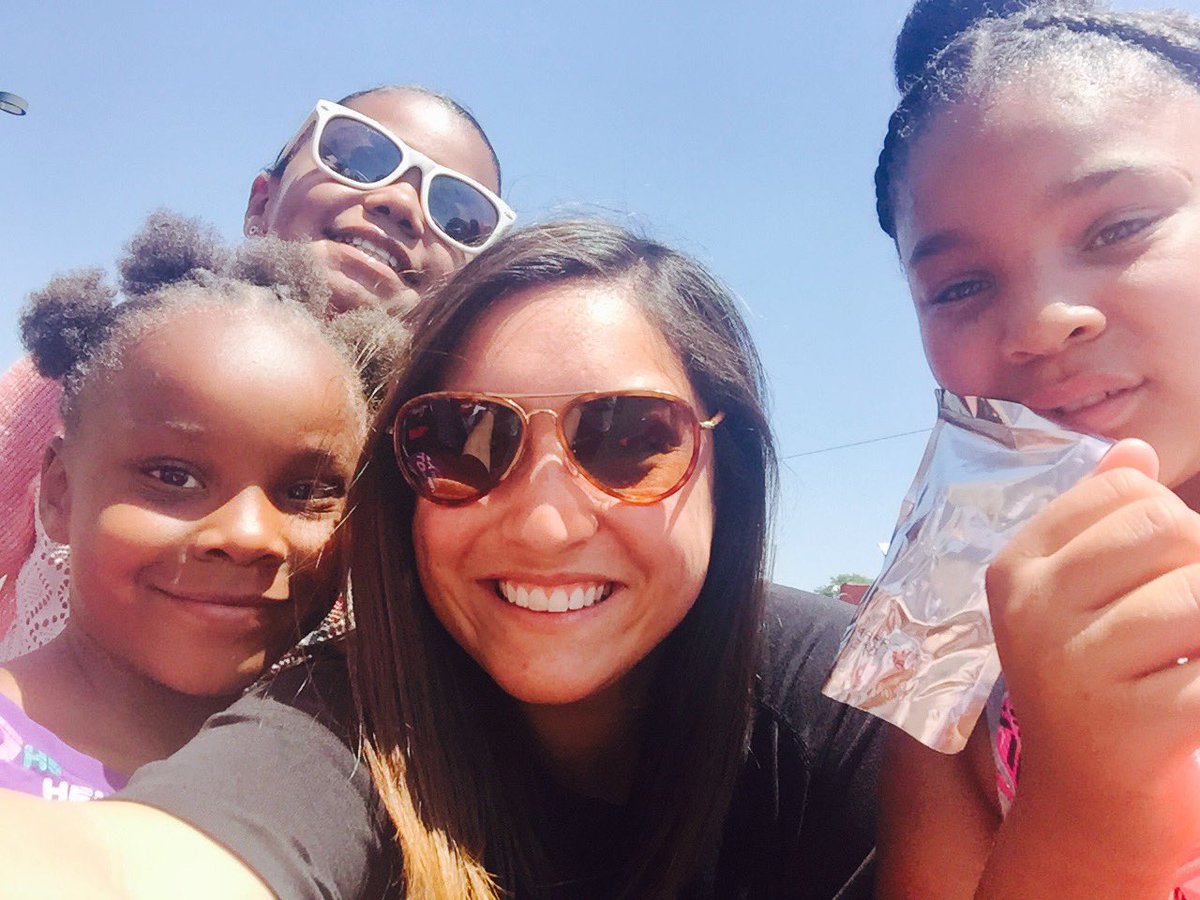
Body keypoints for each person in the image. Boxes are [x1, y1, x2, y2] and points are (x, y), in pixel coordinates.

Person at [0, 220, 884, 898]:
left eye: (624, 438)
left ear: (727, 473)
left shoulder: (849, 695)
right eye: (462, 440)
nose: (544, 526)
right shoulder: (350, 724)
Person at [868, 1, 1200, 896]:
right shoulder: (945, 612)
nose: (1046, 322)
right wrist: (1088, 819)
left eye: (1118, 228)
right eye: (962, 284)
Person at [0, 84, 511, 659]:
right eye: (359, 156)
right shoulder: (83, 379)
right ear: (259, 204)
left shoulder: (441, 478)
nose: (403, 205)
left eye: (459, 215)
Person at [0, 211, 403, 802]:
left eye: (308, 492)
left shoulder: (349, 785)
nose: (249, 535)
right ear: (59, 491)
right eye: (173, 476)